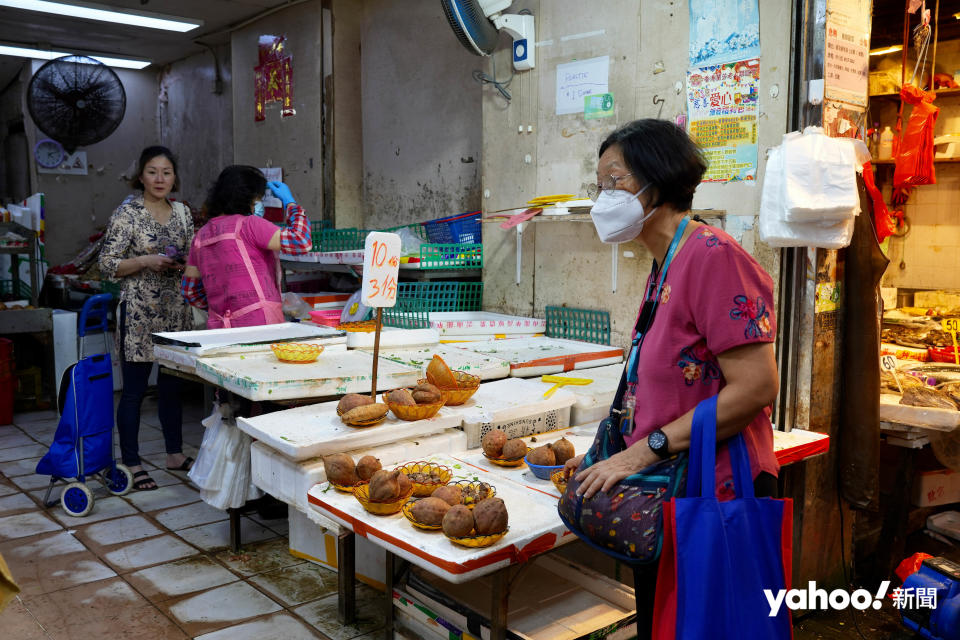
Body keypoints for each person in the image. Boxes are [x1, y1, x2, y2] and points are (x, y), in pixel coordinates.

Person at [566, 119, 780, 639]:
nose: (603, 197)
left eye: (613, 181)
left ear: (654, 185)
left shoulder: (713, 258)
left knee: (709, 626)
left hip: (713, 488)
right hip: (668, 485)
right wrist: (609, 450)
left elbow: (756, 386)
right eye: (600, 184)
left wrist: (645, 450)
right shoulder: (666, 261)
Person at [99, 146, 195, 491]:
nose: (160, 179)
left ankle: (174, 453)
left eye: (166, 172)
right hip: (139, 311)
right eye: (152, 171)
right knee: (135, 392)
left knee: (172, 387)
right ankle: (132, 462)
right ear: (140, 176)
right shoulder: (128, 214)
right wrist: (145, 261)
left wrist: (182, 263)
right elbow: (108, 264)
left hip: (175, 310)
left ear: (174, 177)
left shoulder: (183, 213)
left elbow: (192, 255)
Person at [180, 166, 311, 326]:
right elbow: (301, 241)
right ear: (249, 198)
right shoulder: (250, 225)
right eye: (258, 199)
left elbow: (190, 290)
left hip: (220, 327)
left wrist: (224, 308)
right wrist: (291, 204)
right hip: (259, 325)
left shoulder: (201, 236)